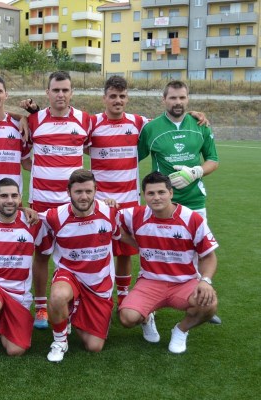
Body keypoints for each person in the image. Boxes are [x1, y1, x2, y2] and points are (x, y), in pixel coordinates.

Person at [138, 80, 221, 324]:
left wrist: (196, 172)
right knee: (158, 254)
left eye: (182, 98)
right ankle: (150, 302)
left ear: (188, 99)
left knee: (198, 255)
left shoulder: (199, 125)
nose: (178, 102)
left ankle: (201, 304)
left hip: (194, 201)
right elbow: (132, 155)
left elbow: (213, 160)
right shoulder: (152, 128)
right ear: (164, 99)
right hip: (161, 204)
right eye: (173, 98)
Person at [118, 172, 218, 353]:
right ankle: (147, 318)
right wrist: (134, 242)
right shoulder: (135, 215)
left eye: (161, 192)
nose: (156, 198)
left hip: (184, 283)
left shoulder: (192, 218)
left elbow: (208, 256)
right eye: (151, 193)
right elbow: (107, 218)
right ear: (143, 196)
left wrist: (205, 280)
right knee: (127, 318)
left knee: (209, 304)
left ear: (171, 193)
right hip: (150, 281)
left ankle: (180, 330)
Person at [22, 71, 92, 329]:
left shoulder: (85, 120)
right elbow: (24, 157)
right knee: (40, 255)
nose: (60, 94)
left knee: (74, 254)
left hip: (71, 206)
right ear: (47, 93)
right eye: (56, 90)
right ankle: (41, 307)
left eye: (65, 90)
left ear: (71, 92)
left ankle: (75, 304)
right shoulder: (33, 120)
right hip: (40, 204)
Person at [39, 169, 119, 362]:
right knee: (58, 296)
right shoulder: (54, 217)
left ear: (96, 190)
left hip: (99, 284)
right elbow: (30, 218)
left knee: (94, 346)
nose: (84, 197)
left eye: (88, 191)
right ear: (68, 192)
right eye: (78, 192)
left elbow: (124, 234)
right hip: (70, 275)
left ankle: (70, 314)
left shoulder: (111, 212)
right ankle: (59, 340)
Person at [0, 178, 51, 356]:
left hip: (18, 294)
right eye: (4, 196)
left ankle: (3, 320)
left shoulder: (33, 222)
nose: (9, 200)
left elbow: (43, 257)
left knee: (16, 350)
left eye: (14, 196)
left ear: (20, 198)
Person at [87, 76, 146, 307]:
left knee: (124, 251)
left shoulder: (138, 122)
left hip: (129, 200)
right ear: (104, 98)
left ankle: (122, 295)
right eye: (113, 96)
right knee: (99, 250)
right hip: (101, 202)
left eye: (122, 96)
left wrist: (194, 115)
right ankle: (96, 295)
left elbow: (166, 121)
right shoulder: (92, 124)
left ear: (127, 98)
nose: (117, 100)